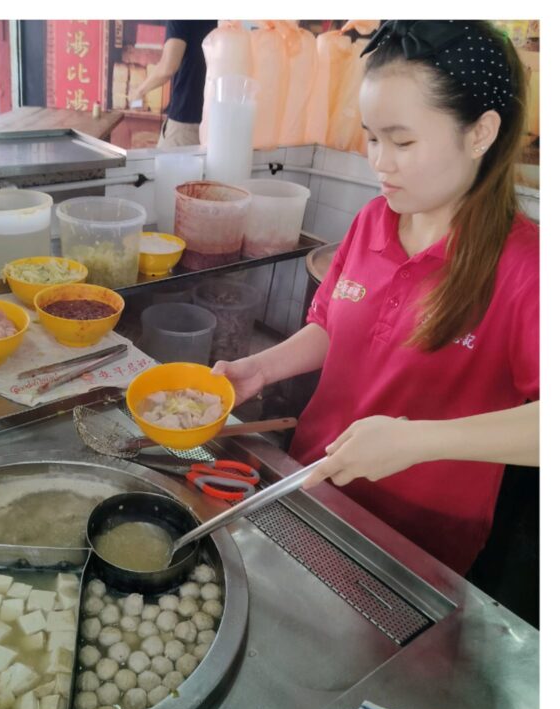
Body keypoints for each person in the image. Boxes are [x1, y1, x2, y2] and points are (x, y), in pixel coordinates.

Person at [213, 20, 538, 578]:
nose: (378, 161)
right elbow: (334, 325)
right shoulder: (372, 221)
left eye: (402, 140)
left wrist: (415, 442)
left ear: (481, 132)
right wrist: (259, 369)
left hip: (413, 545)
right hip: (311, 487)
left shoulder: (528, 268)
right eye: (371, 137)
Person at [129, 21, 218, 148]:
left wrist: (139, 92)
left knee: (166, 166)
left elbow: (168, 67)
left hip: (187, 122)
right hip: (219, 120)